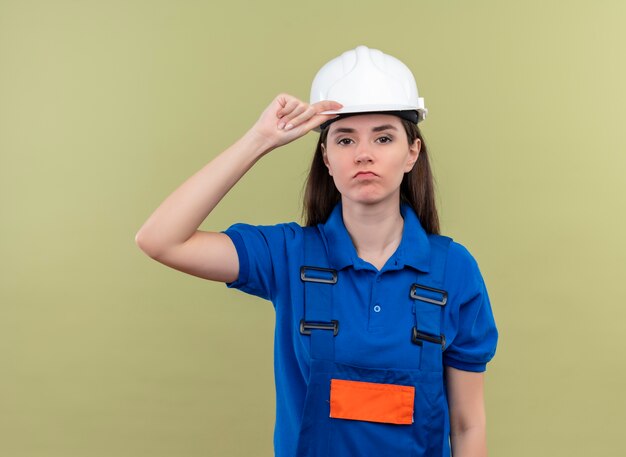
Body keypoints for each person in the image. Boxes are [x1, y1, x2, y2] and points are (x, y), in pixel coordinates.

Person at [135, 45, 498, 457]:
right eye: (345, 139)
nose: (364, 154)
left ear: (411, 152)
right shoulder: (288, 256)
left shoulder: (453, 270)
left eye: (383, 137)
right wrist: (260, 139)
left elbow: (468, 426)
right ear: (326, 157)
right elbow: (160, 239)